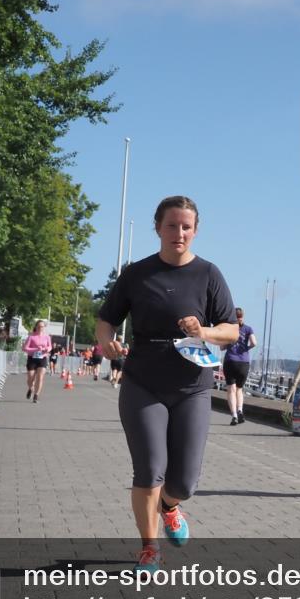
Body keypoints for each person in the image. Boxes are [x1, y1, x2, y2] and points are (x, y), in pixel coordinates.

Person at [96, 195, 238, 571]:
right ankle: (149, 546)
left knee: (185, 482)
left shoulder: (209, 274)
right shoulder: (137, 273)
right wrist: (105, 341)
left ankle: (171, 506)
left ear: (195, 231)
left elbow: (231, 331)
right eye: (172, 225)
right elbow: (106, 318)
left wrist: (203, 329)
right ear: (158, 228)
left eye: (186, 226)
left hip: (192, 385)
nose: (179, 232)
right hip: (143, 381)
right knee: (149, 469)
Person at [222, 307, 256, 425]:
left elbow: (222, 347)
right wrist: (245, 348)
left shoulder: (229, 329)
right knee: (239, 389)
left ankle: (234, 416)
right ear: (243, 316)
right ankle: (240, 410)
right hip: (243, 363)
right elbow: (254, 343)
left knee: (231, 390)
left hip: (230, 361)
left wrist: (229, 344)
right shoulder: (248, 329)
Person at [22, 320, 53, 404]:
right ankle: (31, 388)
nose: (40, 328)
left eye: (42, 326)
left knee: (40, 377)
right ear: (36, 327)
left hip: (42, 358)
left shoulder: (47, 337)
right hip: (32, 358)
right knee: (30, 379)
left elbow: (50, 346)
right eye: (39, 326)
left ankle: (36, 395)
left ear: (44, 328)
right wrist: (36, 349)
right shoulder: (31, 337)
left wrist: (47, 349)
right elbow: (24, 348)